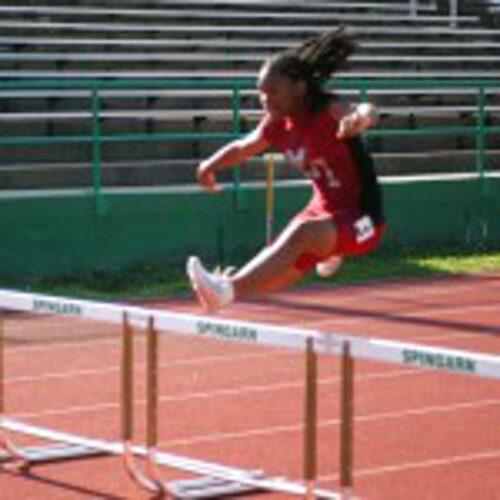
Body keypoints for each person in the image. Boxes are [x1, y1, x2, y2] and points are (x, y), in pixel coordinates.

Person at [187, 28, 385, 313]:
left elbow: (368, 109)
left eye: (273, 92)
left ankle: (226, 290)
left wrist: (361, 119)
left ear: (299, 87)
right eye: (261, 94)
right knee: (281, 263)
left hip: (363, 217)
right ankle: (229, 289)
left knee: (303, 233)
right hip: (322, 210)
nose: (266, 101)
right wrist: (208, 166)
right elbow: (244, 147)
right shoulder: (276, 124)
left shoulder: (328, 110)